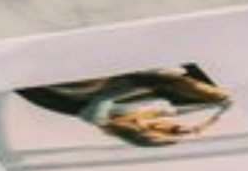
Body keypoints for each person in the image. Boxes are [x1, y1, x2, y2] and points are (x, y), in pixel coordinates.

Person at [15, 63, 232, 148]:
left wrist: (138, 85)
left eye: (171, 130)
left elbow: (103, 99)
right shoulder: (157, 113)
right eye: (173, 129)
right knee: (205, 91)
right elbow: (192, 112)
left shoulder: (100, 121)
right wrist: (209, 120)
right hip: (148, 80)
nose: (173, 126)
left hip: (121, 83)